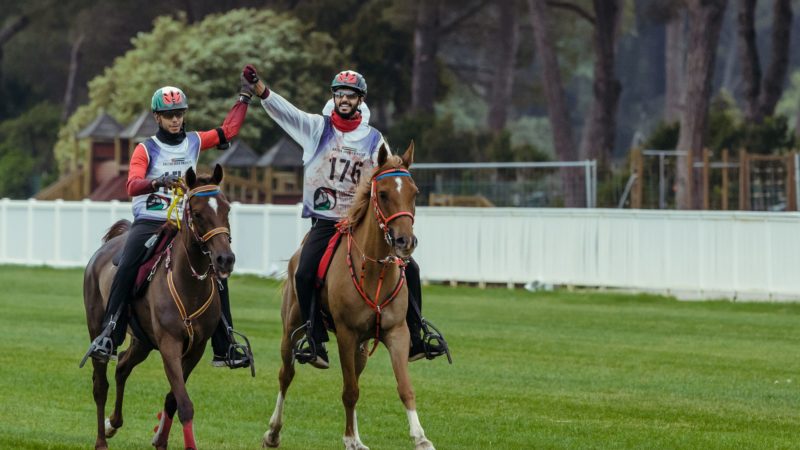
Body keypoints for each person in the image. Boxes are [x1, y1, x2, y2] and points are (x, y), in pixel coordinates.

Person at [242, 65, 449, 369]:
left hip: (359, 221)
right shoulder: (316, 128)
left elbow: (389, 175)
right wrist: (261, 89)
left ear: (360, 100)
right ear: (334, 97)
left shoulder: (375, 139)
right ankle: (313, 340)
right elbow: (288, 114)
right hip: (325, 221)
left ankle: (417, 337)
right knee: (303, 272)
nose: (344, 99)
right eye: (339, 94)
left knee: (412, 270)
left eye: (350, 95)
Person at [82, 83, 254, 369]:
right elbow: (131, 185)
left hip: (185, 224)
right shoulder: (145, 149)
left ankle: (226, 344)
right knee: (126, 264)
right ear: (157, 117)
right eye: (169, 114)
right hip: (150, 222)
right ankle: (110, 333)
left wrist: (244, 98)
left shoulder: (195, 141)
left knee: (217, 270)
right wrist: (157, 182)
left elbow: (229, 131)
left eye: (179, 113)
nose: (175, 119)